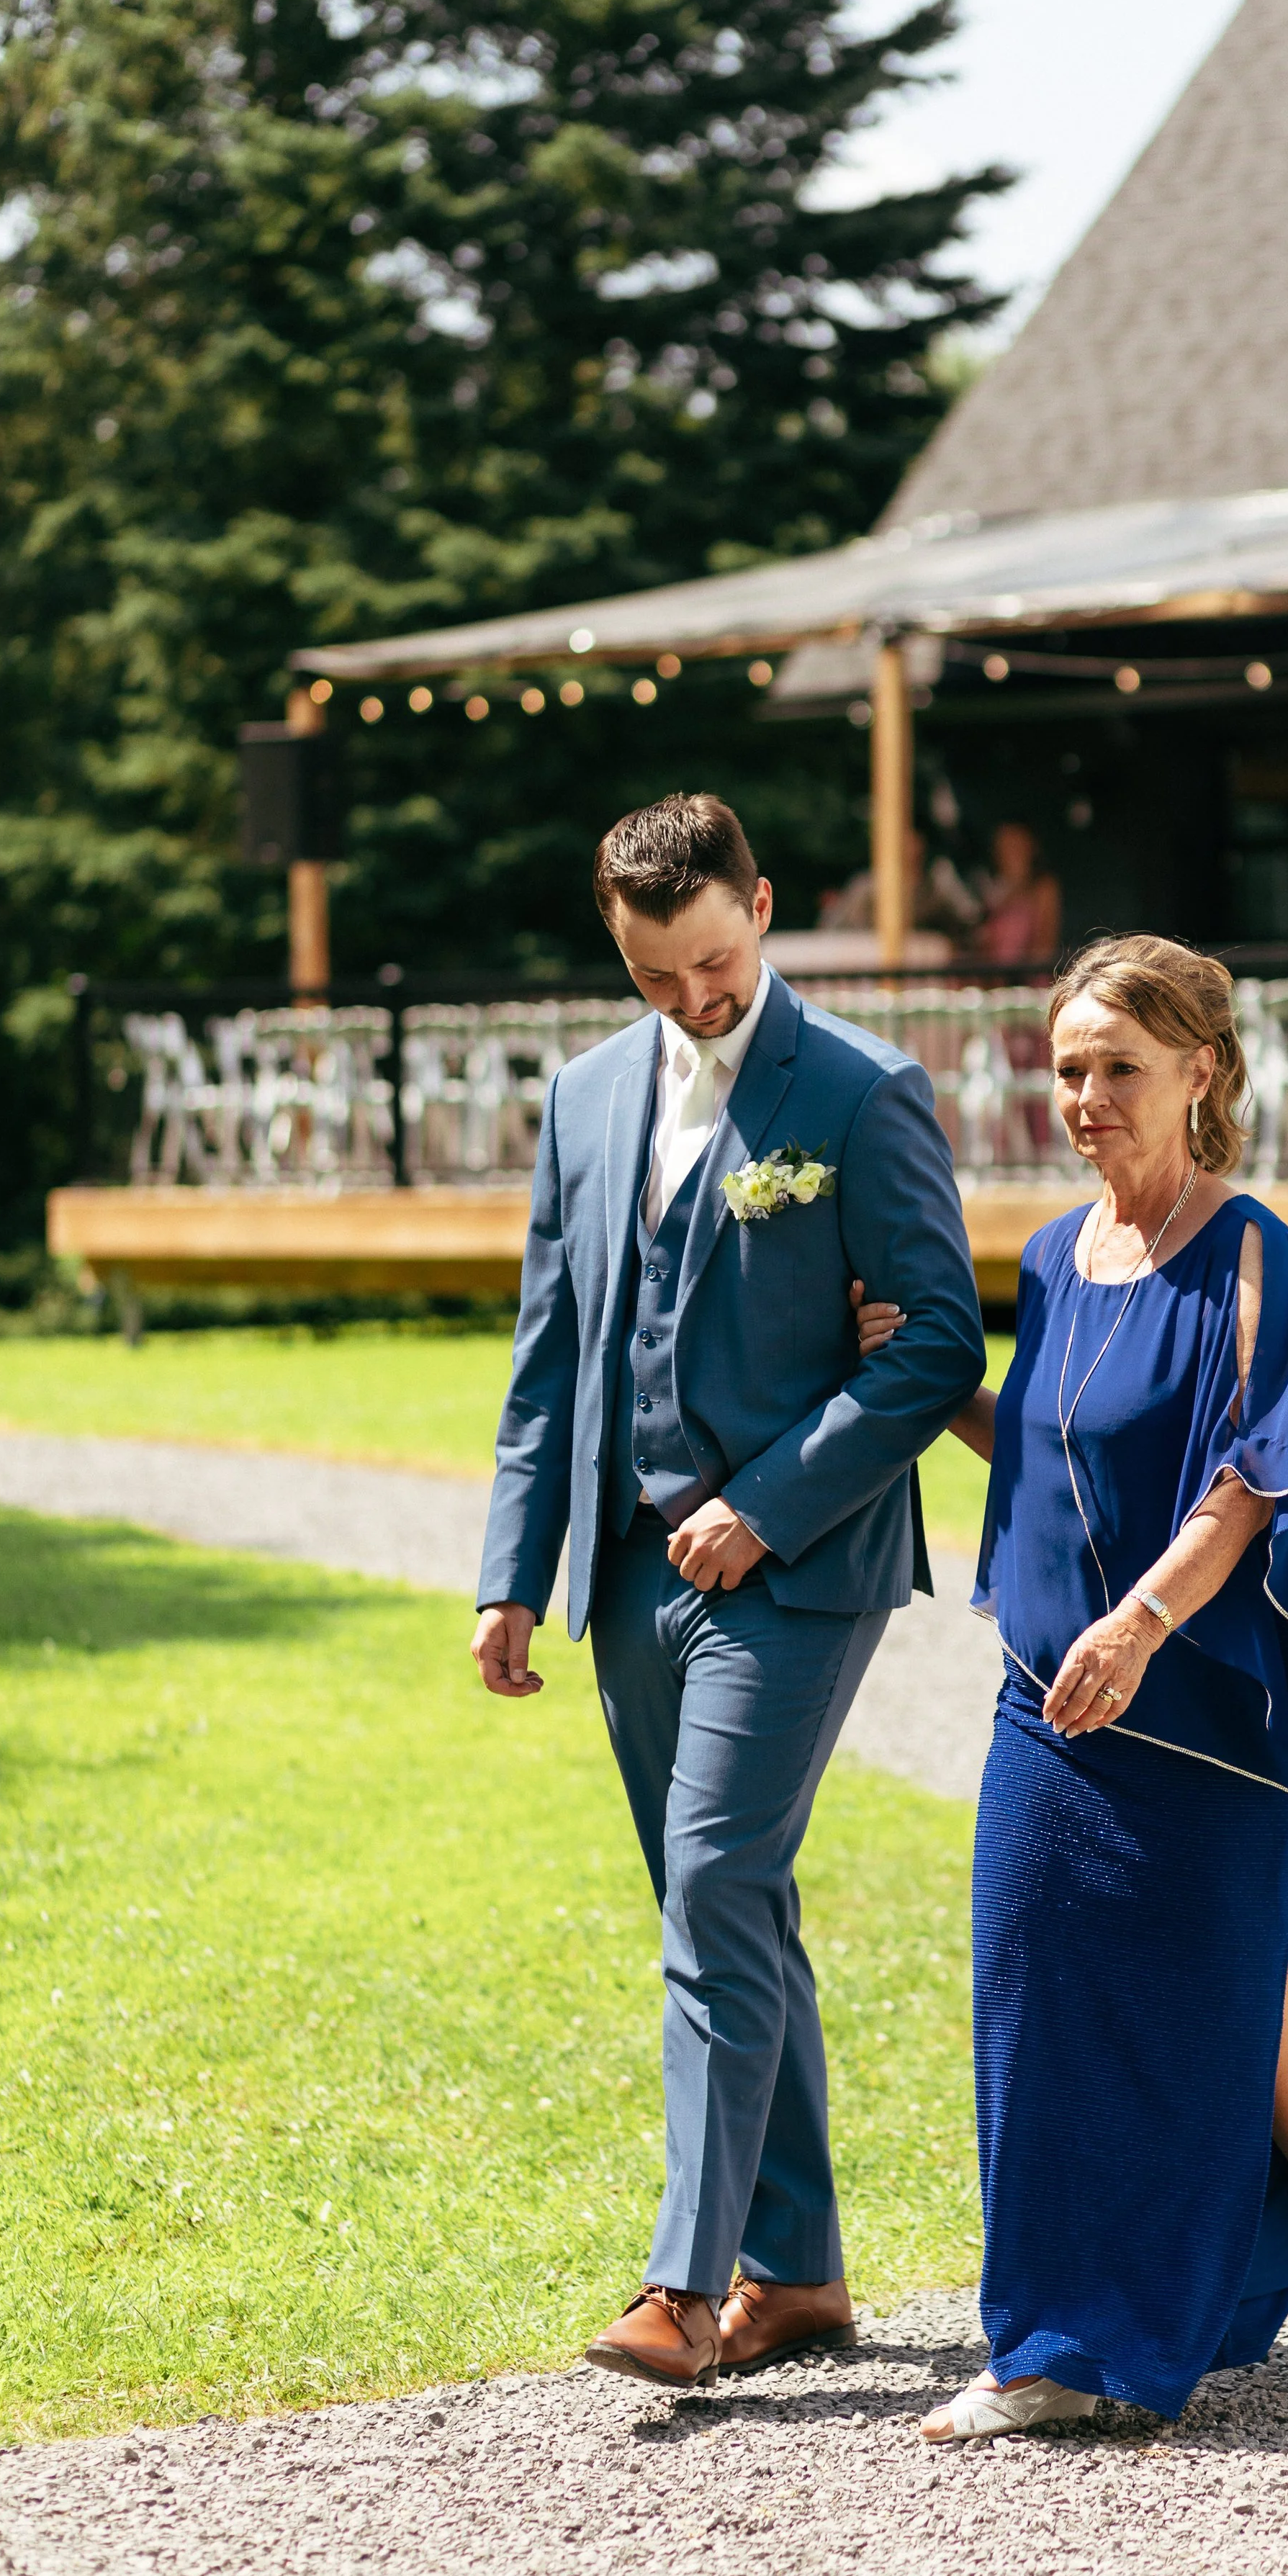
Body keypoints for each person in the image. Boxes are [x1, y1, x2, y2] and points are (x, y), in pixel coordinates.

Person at [855, 934, 1288, 2438]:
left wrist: (1138, 1626)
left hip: (1199, 1699)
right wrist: (933, 1389)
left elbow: (1252, 1468)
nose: (1086, 1097)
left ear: (1201, 1073)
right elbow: (1059, 1456)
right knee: (1032, 2002)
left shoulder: (1247, 1249)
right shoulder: (1050, 1259)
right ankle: (1045, 2344)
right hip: (1046, 1694)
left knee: (1236, 1988)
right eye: (1067, 1071)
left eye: (1118, 1067)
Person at [471, 793, 986, 2393]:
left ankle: (684, 2290)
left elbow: (938, 1350)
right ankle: (805, 2274)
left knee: (708, 1879)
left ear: (759, 907)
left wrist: (763, 1510)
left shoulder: (858, 1090)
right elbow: (551, 1352)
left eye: (711, 961)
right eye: (654, 975)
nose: (692, 1000)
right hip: (625, 1572)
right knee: (729, 1900)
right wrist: (509, 1575)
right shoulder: (582, 1098)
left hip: (800, 1564)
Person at [816, 829, 983, 945]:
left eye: (910, 838)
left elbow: (969, 917)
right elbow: (831, 927)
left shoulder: (938, 880)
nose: (906, 846)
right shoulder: (867, 886)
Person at [973, 821, 1061, 964]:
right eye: (1004, 845)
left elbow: (1044, 944)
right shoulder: (987, 887)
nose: (1011, 852)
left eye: (1017, 845)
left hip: (1029, 975)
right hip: (992, 975)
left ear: (1031, 848)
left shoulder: (1044, 887)